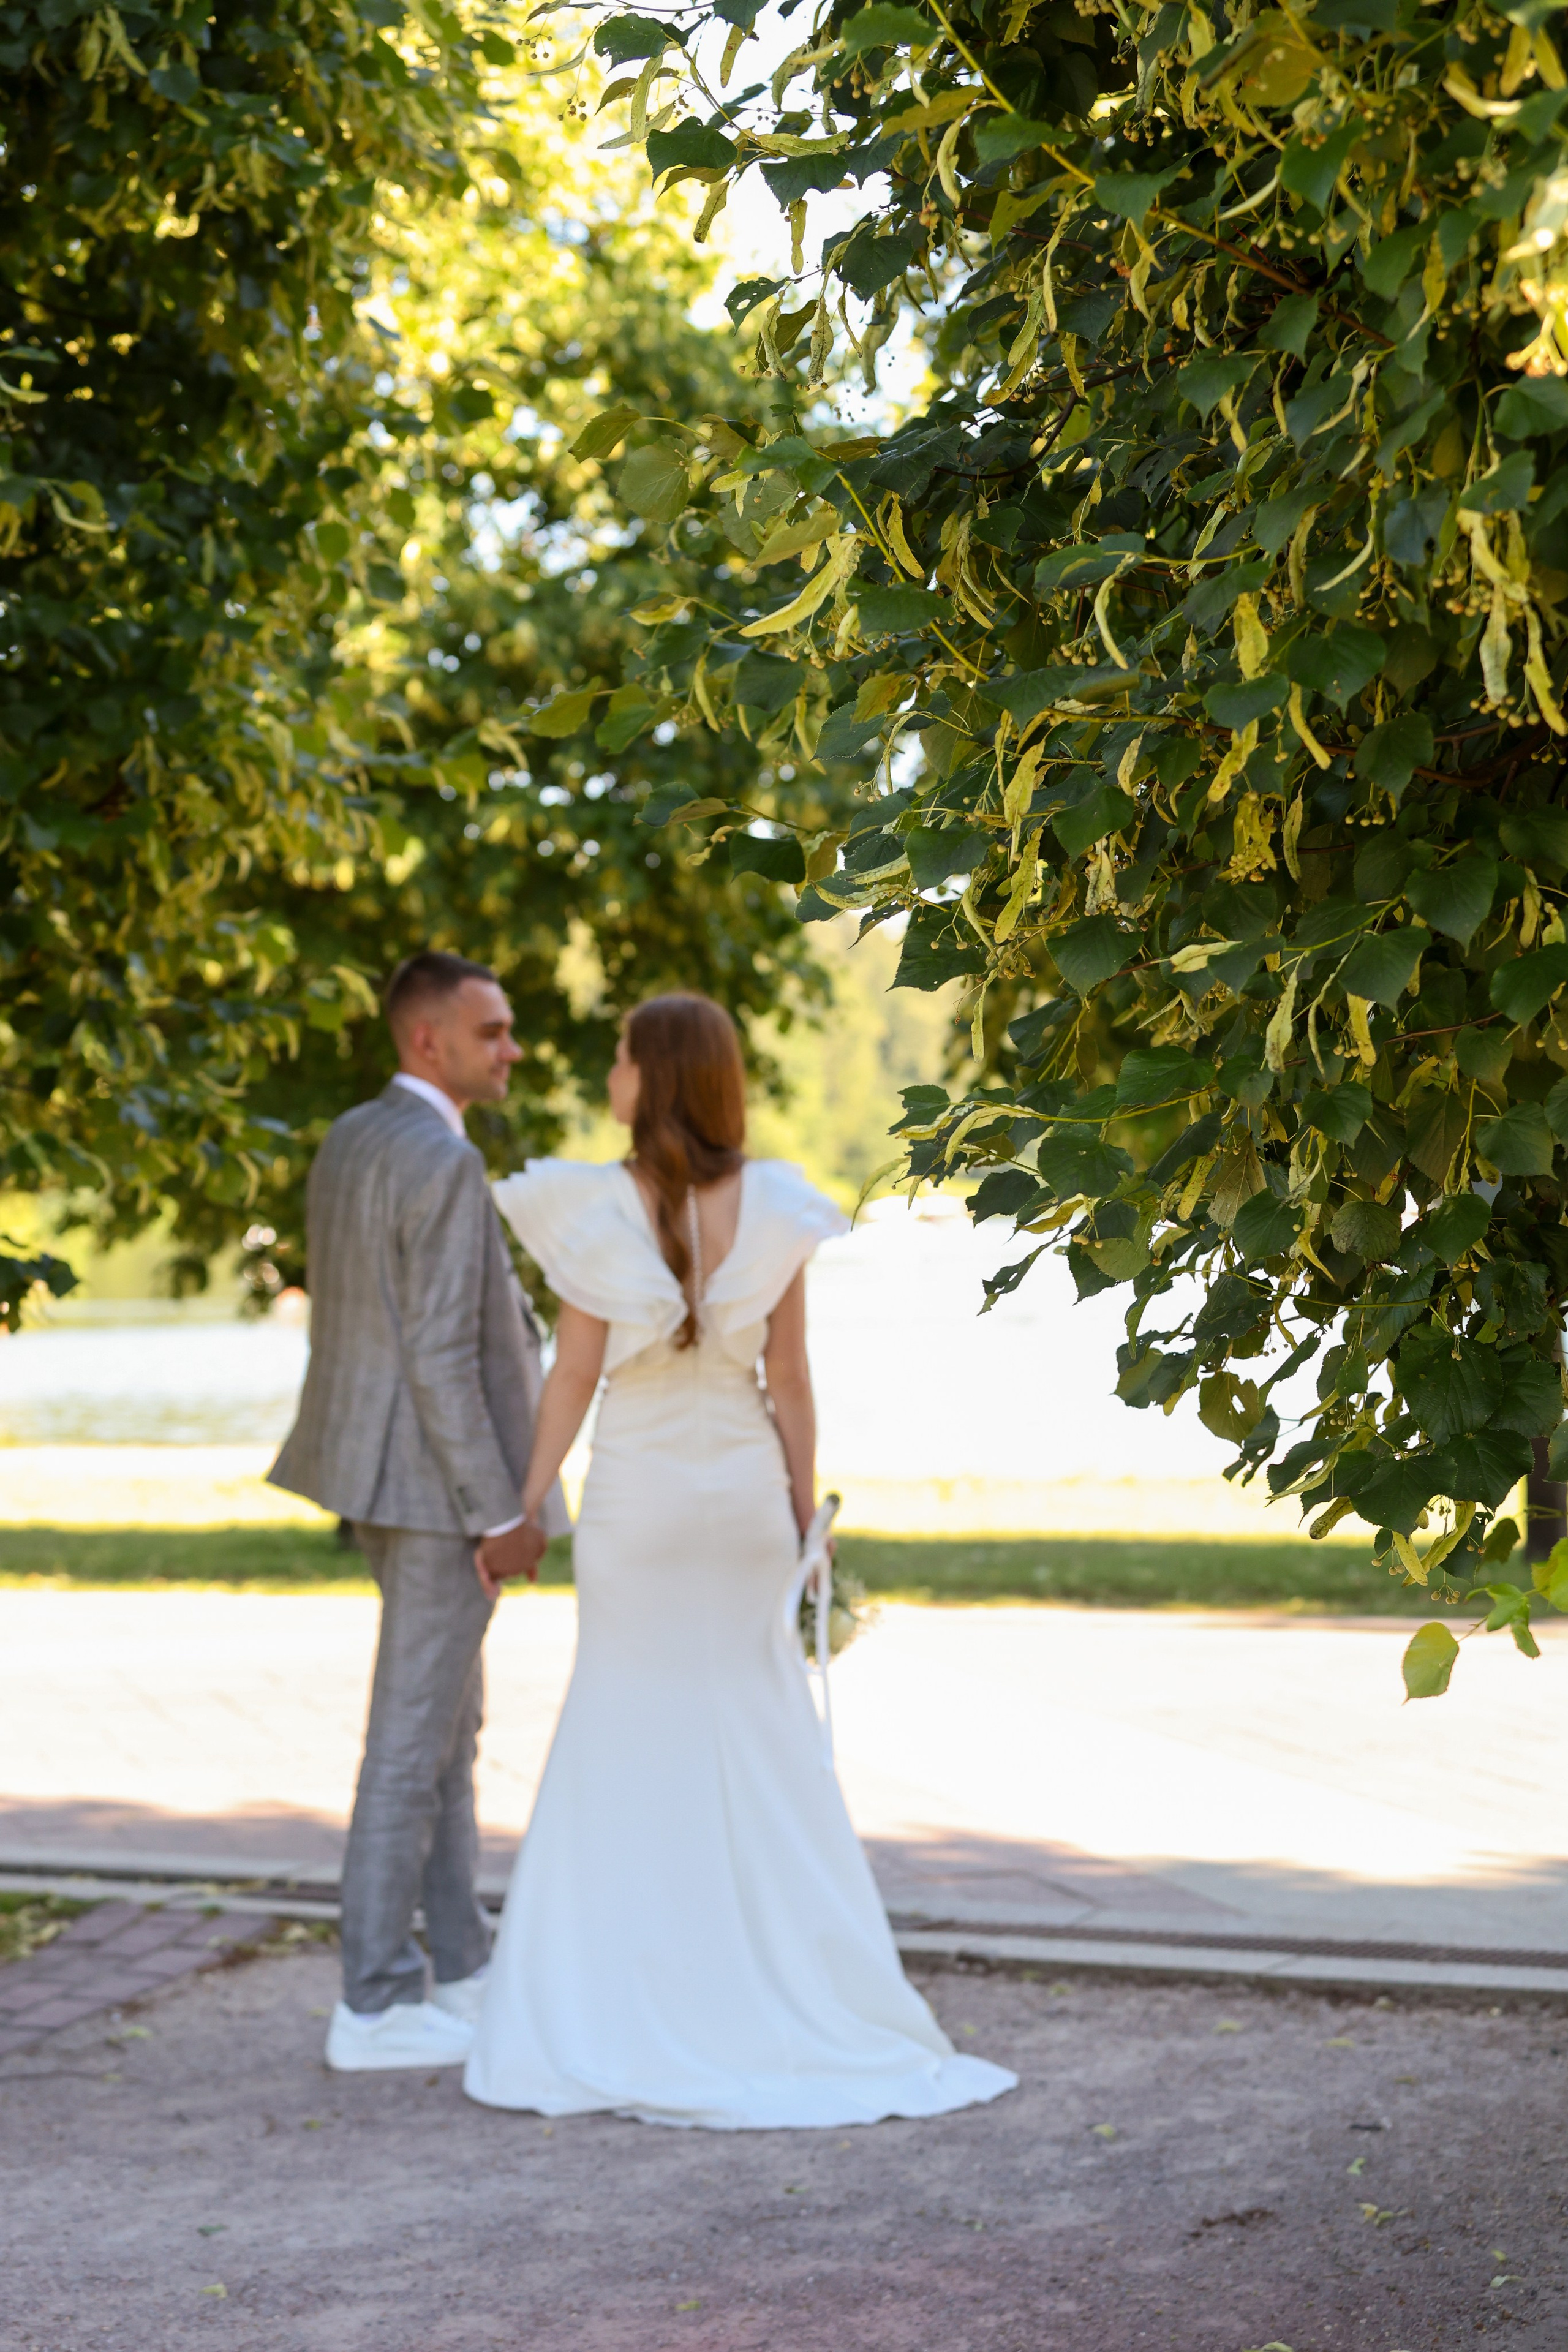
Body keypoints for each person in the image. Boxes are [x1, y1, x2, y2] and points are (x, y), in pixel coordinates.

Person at [465, 992, 1016, 2128]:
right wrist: (806, 1519)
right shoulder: (775, 1204)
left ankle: (627, 1996)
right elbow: (794, 1383)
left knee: (624, 1726)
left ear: (652, 1077)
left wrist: (528, 1508)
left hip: (641, 1503)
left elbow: (571, 1379)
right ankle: (790, 1985)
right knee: (759, 1737)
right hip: (744, 1502)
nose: (611, 1073)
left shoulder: (594, 1208)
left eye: (622, 1056)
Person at [268, 951, 564, 2072]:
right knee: (411, 1742)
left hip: (378, 1478)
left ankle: (466, 1967)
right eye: (493, 1031)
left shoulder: (354, 1136)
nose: (513, 1048)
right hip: (440, 1493)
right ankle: (379, 2002)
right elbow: (441, 1354)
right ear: (427, 1041)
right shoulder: (439, 1160)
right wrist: (499, 1512)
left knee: (447, 1734)